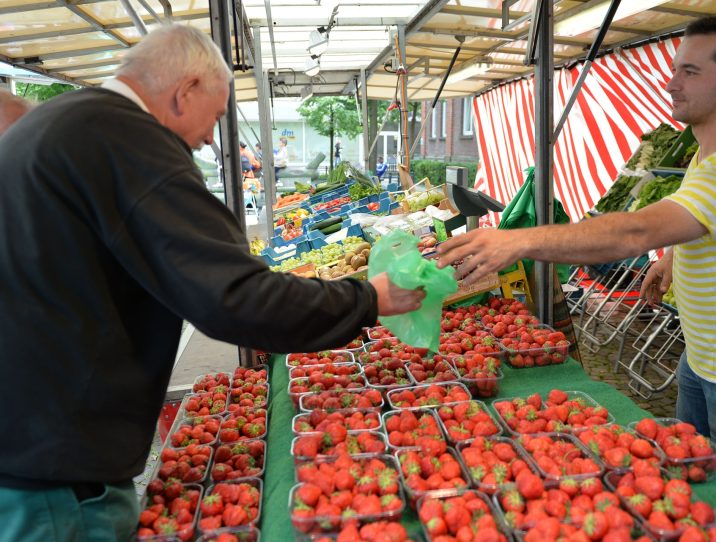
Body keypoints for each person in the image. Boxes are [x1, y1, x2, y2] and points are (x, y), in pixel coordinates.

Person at [0, 24, 424, 541]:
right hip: (54, 471)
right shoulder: (130, 142)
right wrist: (368, 299)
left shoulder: (59, 123)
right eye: (217, 116)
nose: (209, 137)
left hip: (26, 442)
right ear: (186, 91)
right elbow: (235, 298)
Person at [437, 16, 716, 494]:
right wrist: (672, 259)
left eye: (689, 72)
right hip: (706, 354)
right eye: (674, 69)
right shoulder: (711, 150)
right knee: (698, 479)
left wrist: (520, 240)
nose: (671, 84)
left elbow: (634, 230)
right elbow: (713, 223)